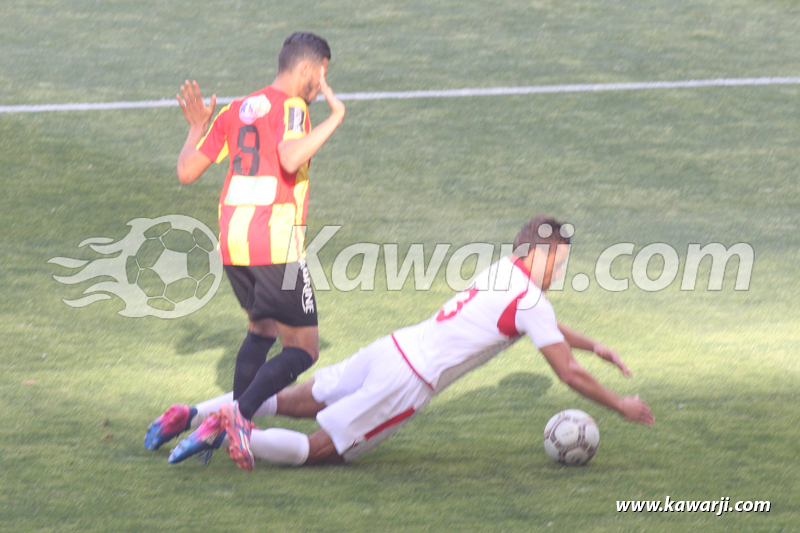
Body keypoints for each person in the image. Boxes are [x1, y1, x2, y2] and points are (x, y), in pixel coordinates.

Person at [166, 216, 654, 470]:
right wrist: (619, 404)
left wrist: (593, 345)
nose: (562, 270)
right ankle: (234, 431)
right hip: (408, 382)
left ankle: (192, 414)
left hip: (393, 346)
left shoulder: (506, 273)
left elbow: (538, 325)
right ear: (542, 254)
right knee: (324, 451)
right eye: (560, 261)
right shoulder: (533, 301)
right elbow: (565, 371)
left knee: (298, 399)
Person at [144, 32, 346, 453]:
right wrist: (334, 117)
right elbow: (291, 158)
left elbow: (186, 171)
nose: (322, 86)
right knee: (305, 349)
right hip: (275, 243)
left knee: (262, 328)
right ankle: (235, 418)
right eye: (322, 75)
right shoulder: (293, 108)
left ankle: (220, 428)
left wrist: (197, 128)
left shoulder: (237, 110)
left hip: (234, 242)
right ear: (308, 68)